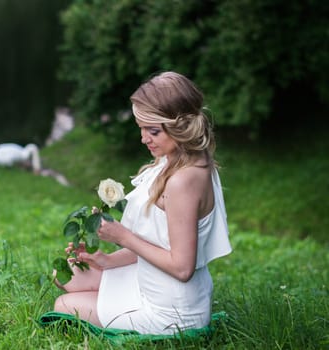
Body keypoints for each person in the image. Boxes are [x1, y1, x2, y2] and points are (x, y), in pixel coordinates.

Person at [53, 71, 232, 335]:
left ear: (180, 126)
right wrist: (107, 260)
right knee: (67, 274)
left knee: (65, 305)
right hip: (148, 280)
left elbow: (183, 268)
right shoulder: (175, 158)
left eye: (153, 130)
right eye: (141, 128)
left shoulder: (184, 181)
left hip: (172, 311)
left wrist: (123, 236)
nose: (143, 138)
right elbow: (161, 240)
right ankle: (114, 289)